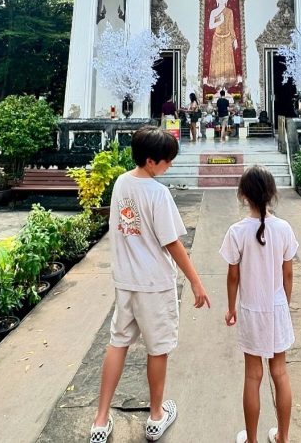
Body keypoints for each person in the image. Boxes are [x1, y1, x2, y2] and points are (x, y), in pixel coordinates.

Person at [89, 127, 210, 443]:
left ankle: (100, 420)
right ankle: (156, 416)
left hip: (126, 282)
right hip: (154, 283)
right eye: (166, 161)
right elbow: (172, 243)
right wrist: (196, 282)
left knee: (118, 342)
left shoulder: (120, 184)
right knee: (158, 350)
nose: (169, 165)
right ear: (151, 160)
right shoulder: (158, 193)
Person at [220, 166, 298, 443]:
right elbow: (288, 274)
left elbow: (233, 276)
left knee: (253, 376)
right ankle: (283, 437)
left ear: (243, 195)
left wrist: (231, 308)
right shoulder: (284, 228)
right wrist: (283, 306)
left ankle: (251, 440)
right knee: (280, 372)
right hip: (277, 308)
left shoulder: (237, 231)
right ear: (272, 194)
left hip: (252, 311)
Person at [205, 0, 239, 87]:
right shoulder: (214, 12)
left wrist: (235, 39)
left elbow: (231, 27)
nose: (221, 0)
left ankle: (227, 84)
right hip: (217, 39)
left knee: (227, 61)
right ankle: (217, 84)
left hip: (227, 38)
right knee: (217, 62)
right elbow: (210, 26)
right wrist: (219, 21)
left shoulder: (229, 11)